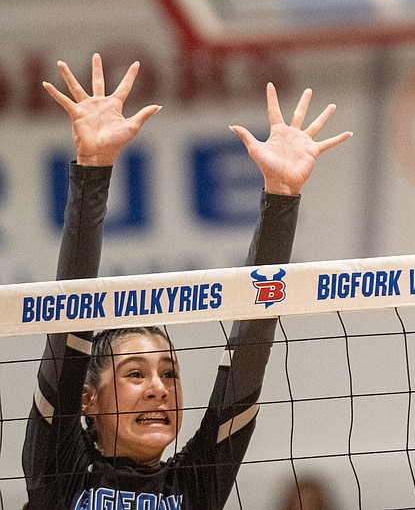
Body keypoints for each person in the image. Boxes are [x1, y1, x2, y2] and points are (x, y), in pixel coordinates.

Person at [23, 54, 352, 509]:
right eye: (135, 374)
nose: (159, 389)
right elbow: (69, 312)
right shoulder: (58, 471)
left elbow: (251, 340)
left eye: (170, 373)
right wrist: (92, 168)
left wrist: (281, 195)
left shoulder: (195, 485)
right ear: (88, 401)